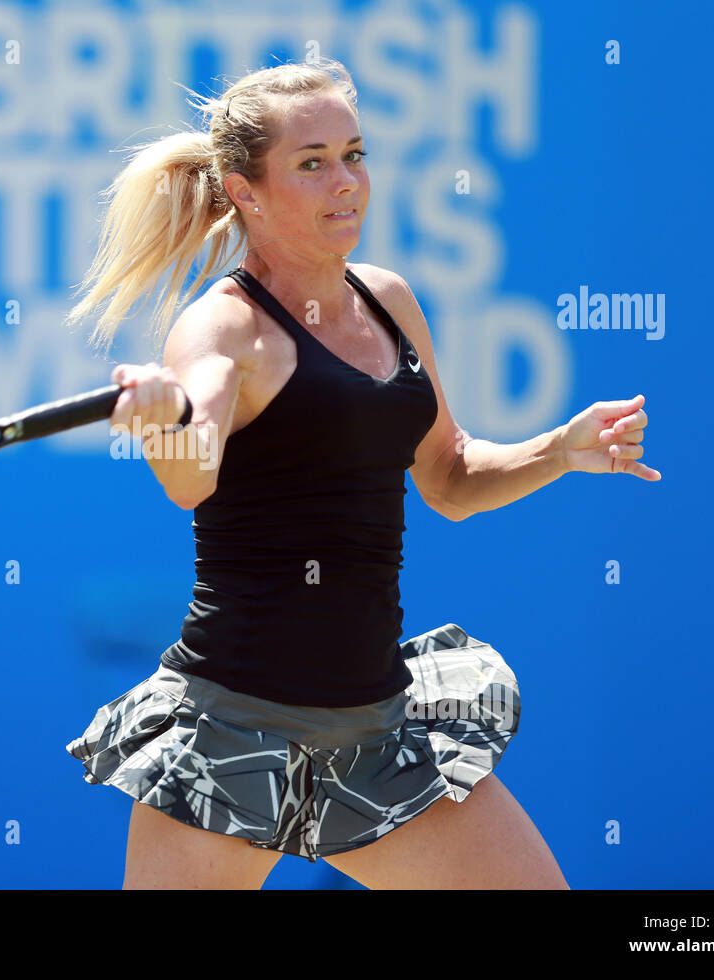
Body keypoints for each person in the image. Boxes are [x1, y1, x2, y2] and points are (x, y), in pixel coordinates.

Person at [63, 59, 660, 889]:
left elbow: (449, 477)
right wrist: (166, 418)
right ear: (245, 190)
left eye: (355, 153)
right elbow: (190, 475)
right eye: (311, 163)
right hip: (230, 734)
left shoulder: (390, 301)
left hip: (378, 735)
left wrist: (557, 449)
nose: (345, 182)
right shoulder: (223, 331)